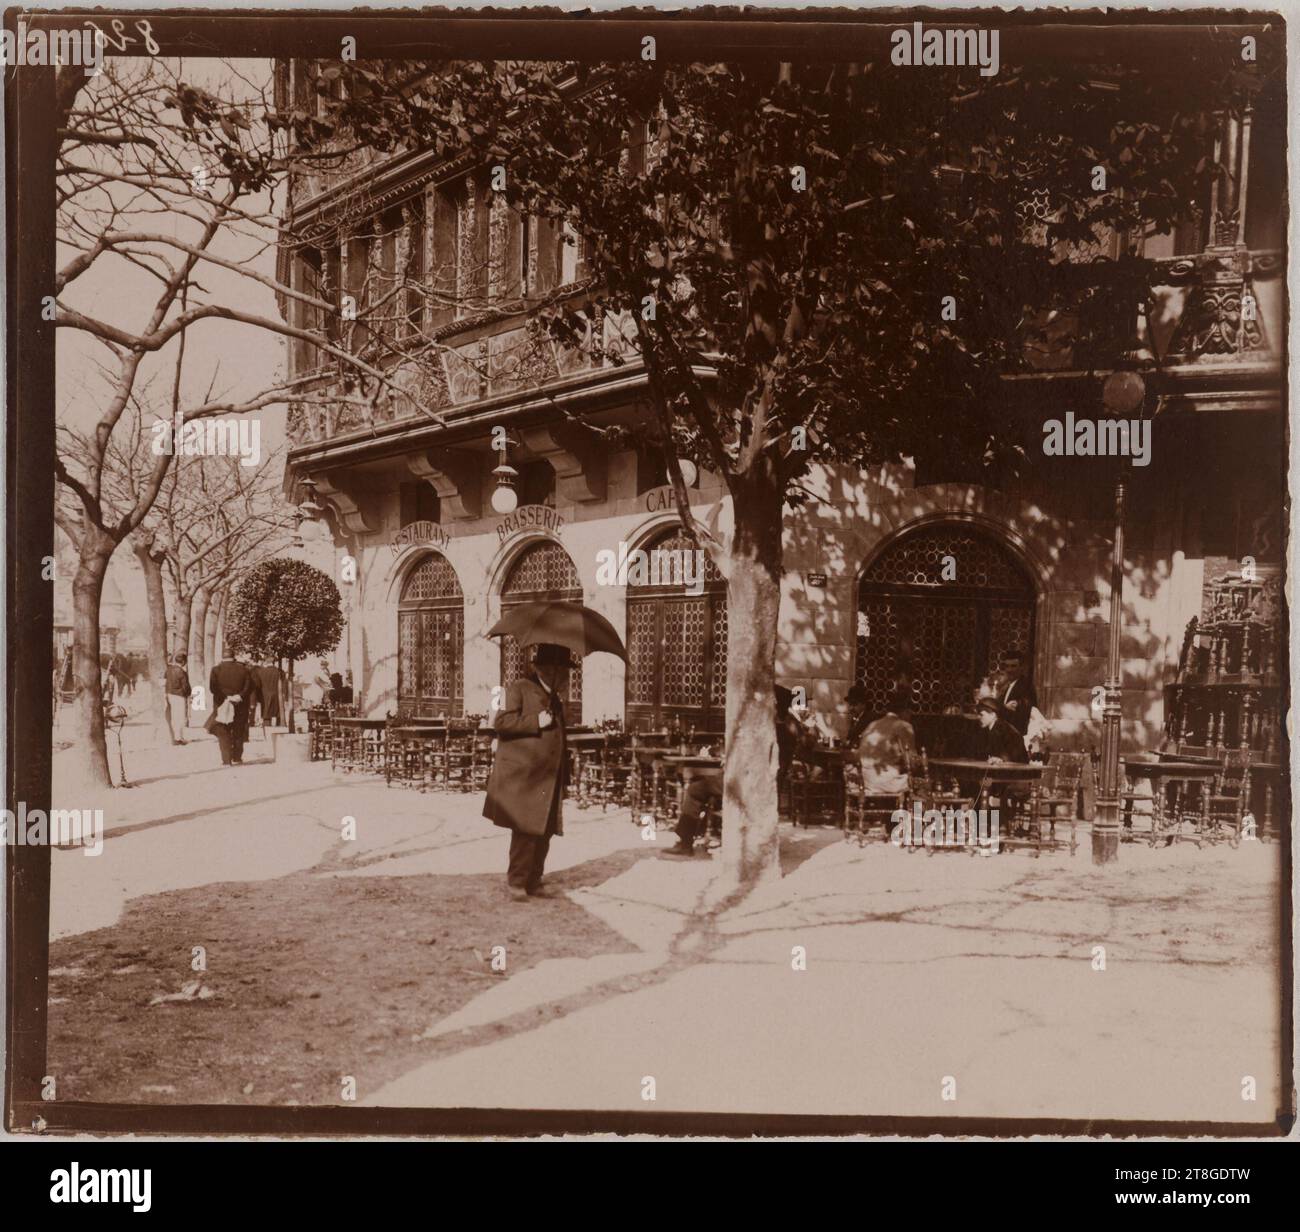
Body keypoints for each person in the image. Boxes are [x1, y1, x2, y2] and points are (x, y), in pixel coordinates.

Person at [661, 685, 799, 858]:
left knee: (695, 788)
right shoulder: (789, 730)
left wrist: (730, 761)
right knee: (703, 783)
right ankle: (705, 833)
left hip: (746, 784)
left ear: (773, 704)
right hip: (763, 785)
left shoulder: (767, 729)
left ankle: (686, 843)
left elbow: (752, 759)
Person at [483, 643, 572, 901]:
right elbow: (501, 722)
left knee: (545, 829)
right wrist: (535, 721)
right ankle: (517, 881)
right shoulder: (518, 688)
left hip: (548, 775)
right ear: (546, 669)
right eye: (562, 670)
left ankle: (535, 880)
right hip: (526, 774)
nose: (566, 676)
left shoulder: (554, 698)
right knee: (526, 829)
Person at [857, 687, 917, 794]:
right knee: (923, 785)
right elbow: (911, 763)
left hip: (863, 781)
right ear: (905, 710)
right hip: (884, 783)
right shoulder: (904, 726)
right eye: (910, 712)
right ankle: (917, 811)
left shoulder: (872, 725)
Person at [209, 644, 254, 767]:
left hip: (221, 705)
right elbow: (249, 686)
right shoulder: (244, 669)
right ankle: (237, 757)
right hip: (240, 704)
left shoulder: (215, 670)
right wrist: (239, 696)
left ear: (222, 657)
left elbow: (213, 688)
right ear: (233, 657)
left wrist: (226, 697)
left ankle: (226, 760)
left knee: (223, 732)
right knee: (239, 730)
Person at [996, 647, 1037, 739]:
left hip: (1016, 736)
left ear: (1021, 667)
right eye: (1007, 666)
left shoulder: (1026, 686)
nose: (1009, 670)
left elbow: (1025, 709)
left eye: (1013, 666)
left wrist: (1004, 708)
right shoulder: (1006, 686)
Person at [975, 697, 1029, 763]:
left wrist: (1001, 759)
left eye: (981, 715)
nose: (978, 717)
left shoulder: (1007, 731)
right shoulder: (986, 730)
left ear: (993, 715)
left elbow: (1015, 757)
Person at [252, 657, 284, 736]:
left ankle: (267, 735)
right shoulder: (280, 672)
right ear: (274, 662)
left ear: (266, 662)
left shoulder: (261, 672)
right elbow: (284, 685)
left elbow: (258, 686)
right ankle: (279, 734)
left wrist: (258, 698)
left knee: (266, 715)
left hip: (265, 696)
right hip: (277, 696)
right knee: (279, 715)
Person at [164, 652, 192, 745]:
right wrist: (189, 694)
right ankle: (178, 738)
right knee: (179, 718)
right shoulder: (182, 672)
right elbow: (186, 686)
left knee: (173, 717)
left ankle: (175, 737)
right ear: (183, 662)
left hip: (169, 695)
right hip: (179, 696)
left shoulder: (168, 670)